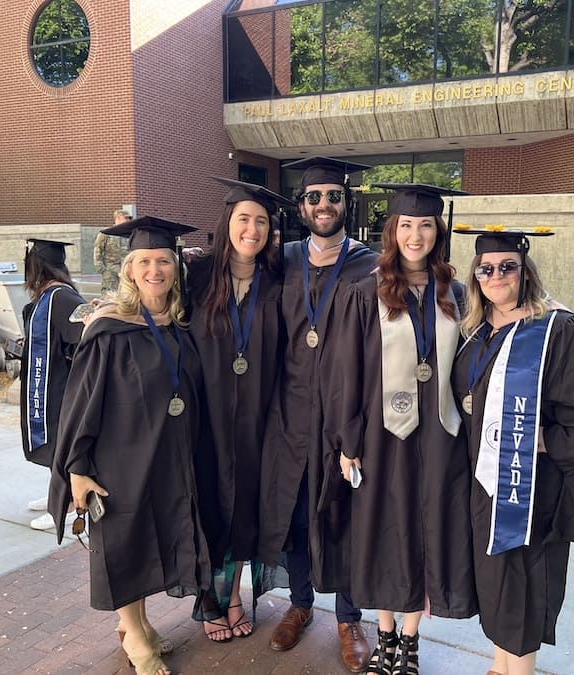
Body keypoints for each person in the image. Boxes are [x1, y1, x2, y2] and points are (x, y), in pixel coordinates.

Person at [451, 227, 574, 675]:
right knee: (496, 578)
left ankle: (521, 670)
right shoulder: (476, 331)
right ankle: (499, 665)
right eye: (486, 269)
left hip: (530, 487)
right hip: (484, 480)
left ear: (524, 272)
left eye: (507, 267)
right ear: (476, 277)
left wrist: (550, 439)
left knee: (527, 581)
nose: (497, 276)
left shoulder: (556, 328)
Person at [49, 216, 212, 675]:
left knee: (146, 542)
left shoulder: (179, 323)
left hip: (165, 456)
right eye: (143, 261)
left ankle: (137, 625)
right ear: (129, 269)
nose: (154, 270)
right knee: (124, 544)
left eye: (163, 260)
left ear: (176, 267)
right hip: (118, 460)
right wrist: (76, 467)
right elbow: (80, 405)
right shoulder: (108, 327)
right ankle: (135, 636)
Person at [326, 184, 478, 674]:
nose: (416, 235)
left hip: (439, 435)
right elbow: (347, 372)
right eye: (407, 225)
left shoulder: (455, 294)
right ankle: (384, 634)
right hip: (381, 436)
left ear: (439, 232)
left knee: (425, 530)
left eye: (426, 224)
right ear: (392, 230)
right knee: (381, 529)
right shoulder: (365, 292)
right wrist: (348, 441)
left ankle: (409, 641)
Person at [257, 156, 376, 672]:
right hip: (288, 411)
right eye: (313, 197)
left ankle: (350, 617)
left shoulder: (371, 262)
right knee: (297, 513)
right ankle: (301, 603)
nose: (323, 205)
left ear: (346, 202)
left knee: (344, 513)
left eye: (333, 196)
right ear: (300, 206)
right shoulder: (279, 259)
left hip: (346, 411)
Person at [186, 178, 291, 642]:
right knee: (209, 503)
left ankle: (233, 597)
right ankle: (210, 596)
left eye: (261, 221)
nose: (252, 229)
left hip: (255, 420)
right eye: (244, 218)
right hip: (204, 418)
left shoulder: (277, 280)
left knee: (245, 506)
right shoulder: (197, 275)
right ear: (227, 222)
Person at [19, 239, 85, 530]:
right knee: (53, 441)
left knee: (62, 442)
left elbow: (83, 340)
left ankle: (68, 502)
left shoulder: (63, 297)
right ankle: (55, 493)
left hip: (62, 386)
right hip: (47, 383)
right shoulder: (45, 297)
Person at [93, 209, 131, 294]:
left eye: (129, 218)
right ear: (118, 218)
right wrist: (102, 269)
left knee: (125, 295)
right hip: (110, 270)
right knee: (109, 295)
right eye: (126, 218)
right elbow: (98, 250)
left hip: (125, 270)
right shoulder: (106, 233)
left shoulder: (129, 234)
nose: (128, 220)